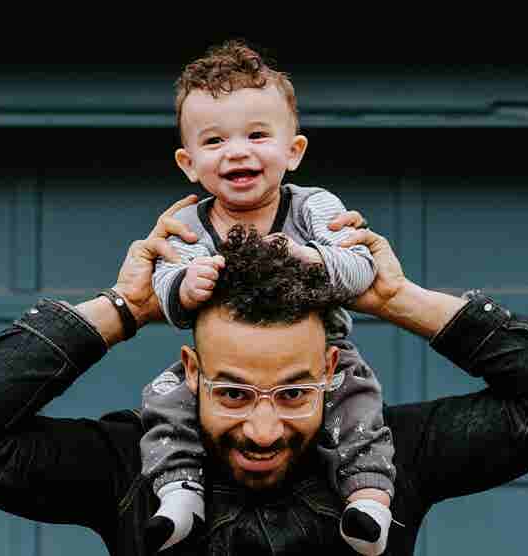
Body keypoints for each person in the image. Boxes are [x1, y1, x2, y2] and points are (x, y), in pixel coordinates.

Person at [0, 195, 528, 555]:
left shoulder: (396, 455)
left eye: (295, 392)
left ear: (332, 368)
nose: (264, 427)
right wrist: (124, 310)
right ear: (191, 371)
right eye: (234, 392)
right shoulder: (126, 466)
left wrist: (397, 300)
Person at [143, 40, 394, 555]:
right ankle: (178, 492)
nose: (237, 151)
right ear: (189, 163)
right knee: (165, 399)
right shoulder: (189, 222)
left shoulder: (313, 207)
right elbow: (165, 287)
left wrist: (315, 260)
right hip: (223, 366)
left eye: (257, 135)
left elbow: (359, 267)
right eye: (214, 141)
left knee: (357, 400)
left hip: (323, 350)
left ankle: (368, 498)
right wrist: (183, 286)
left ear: (293, 151)